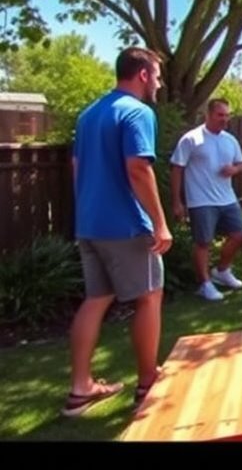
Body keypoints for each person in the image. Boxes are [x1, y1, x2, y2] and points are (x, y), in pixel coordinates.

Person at [63, 47, 172, 417]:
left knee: (96, 299)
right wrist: (159, 222)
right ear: (142, 74)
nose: (159, 82)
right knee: (149, 297)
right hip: (125, 225)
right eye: (156, 75)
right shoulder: (137, 112)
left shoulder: (89, 114)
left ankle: (80, 388)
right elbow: (139, 169)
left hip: (90, 223)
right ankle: (147, 383)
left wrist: (88, 211)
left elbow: (77, 168)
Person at [170, 98, 242, 302]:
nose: (225, 119)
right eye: (220, 115)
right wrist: (177, 202)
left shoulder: (230, 140)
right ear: (209, 115)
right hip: (201, 200)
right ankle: (205, 284)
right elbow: (177, 168)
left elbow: (241, 164)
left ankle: (221, 271)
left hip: (227, 198)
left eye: (227, 115)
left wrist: (234, 169)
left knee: (240, 234)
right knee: (203, 242)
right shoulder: (191, 139)